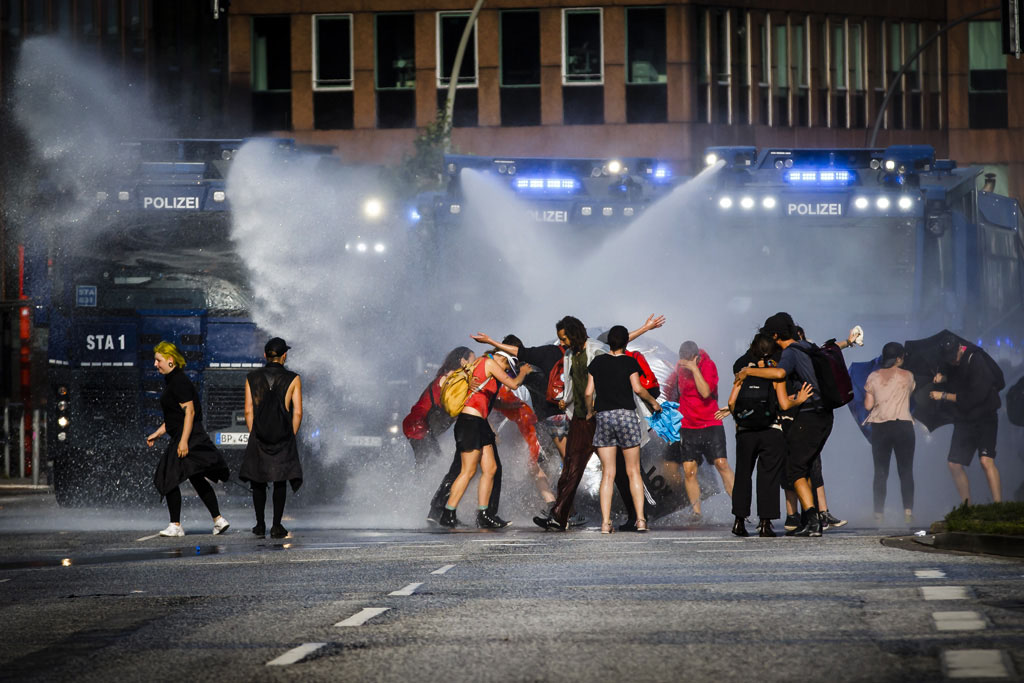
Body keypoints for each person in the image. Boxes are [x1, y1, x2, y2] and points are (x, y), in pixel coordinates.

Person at [534, 314, 665, 531]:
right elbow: (575, 382)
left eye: (564, 338)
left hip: (602, 417)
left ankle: (635, 516)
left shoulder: (596, 350)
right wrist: (565, 401)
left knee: (621, 472)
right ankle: (559, 515)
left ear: (574, 334)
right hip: (581, 420)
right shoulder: (569, 355)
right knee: (571, 468)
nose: (562, 343)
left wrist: (644, 328)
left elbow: (617, 348)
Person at [722, 333, 813, 537]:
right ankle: (765, 523)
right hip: (772, 430)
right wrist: (799, 400)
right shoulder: (774, 373)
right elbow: (783, 404)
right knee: (768, 476)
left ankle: (739, 521)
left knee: (743, 475)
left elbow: (730, 403)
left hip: (745, 432)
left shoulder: (743, 372)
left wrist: (741, 419)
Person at [440, 350, 533, 528]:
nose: (506, 370)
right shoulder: (488, 363)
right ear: (502, 358)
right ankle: (448, 512)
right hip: (470, 422)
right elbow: (513, 384)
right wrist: (524, 372)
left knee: (491, 468)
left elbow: (488, 398)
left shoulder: (480, 366)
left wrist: (508, 405)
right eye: (507, 366)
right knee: (468, 471)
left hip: (479, 423)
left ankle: (483, 514)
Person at [146, 341, 230, 537]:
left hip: (188, 437)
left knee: (167, 477)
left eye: (158, 360)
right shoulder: (173, 381)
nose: (155, 364)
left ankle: (175, 525)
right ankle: (218, 520)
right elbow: (175, 416)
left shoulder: (179, 382)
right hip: (187, 435)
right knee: (196, 477)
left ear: (170, 360)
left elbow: (189, 413)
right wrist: (157, 433)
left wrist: (183, 442)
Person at [585, 325, 662, 533]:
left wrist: (590, 411)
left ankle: (605, 523)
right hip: (627, 417)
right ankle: (640, 520)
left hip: (604, 417)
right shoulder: (630, 361)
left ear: (609, 342)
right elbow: (638, 389)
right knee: (633, 471)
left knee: (608, 473)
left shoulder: (597, 362)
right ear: (626, 343)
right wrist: (653, 404)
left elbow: (588, 392)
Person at [239, 337, 304, 539]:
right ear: (284, 355)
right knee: (280, 480)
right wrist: (290, 434)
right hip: (283, 434)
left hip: (258, 434)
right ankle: (276, 525)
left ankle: (260, 524)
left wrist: (254, 433)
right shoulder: (293, 378)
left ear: (265, 355)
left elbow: (248, 411)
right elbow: (298, 413)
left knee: (258, 481)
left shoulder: (251, 377)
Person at [663, 341, 734, 521]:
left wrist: (694, 369)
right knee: (689, 470)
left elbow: (705, 392)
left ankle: (739, 505)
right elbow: (669, 389)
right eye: (682, 361)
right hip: (688, 425)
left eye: (687, 361)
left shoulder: (708, 365)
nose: (683, 364)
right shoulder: (679, 368)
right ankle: (697, 512)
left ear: (696, 357)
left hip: (711, 422)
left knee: (721, 464)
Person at [931, 338, 1004, 504]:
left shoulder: (975, 358)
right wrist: (943, 378)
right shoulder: (949, 363)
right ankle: (966, 506)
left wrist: (943, 396)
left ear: (960, 349)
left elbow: (975, 395)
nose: (952, 360)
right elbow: (959, 381)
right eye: (948, 358)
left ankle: (998, 505)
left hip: (985, 416)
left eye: (953, 357)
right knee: (954, 464)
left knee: (986, 461)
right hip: (964, 419)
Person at [863, 342, 916, 525]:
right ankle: (908, 513)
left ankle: (878, 515)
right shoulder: (908, 376)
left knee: (880, 472)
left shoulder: (873, 376)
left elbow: (868, 406)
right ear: (899, 358)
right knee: (906, 471)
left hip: (880, 428)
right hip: (904, 426)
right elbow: (911, 391)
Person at [405, 346, 472, 468]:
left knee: (431, 463)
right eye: (473, 361)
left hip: (420, 427)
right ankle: (414, 486)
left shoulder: (458, 381)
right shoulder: (450, 379)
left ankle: (415, 484)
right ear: (463, 361)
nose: (475, 365)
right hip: (417, 425)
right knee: (431, 463)